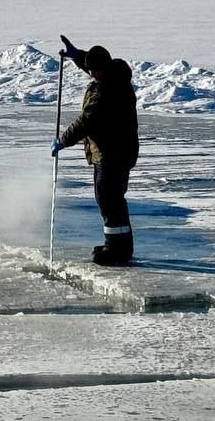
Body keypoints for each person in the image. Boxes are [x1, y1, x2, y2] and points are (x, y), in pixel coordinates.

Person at [50, 39, 139, 266]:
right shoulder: (114, 74)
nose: (89, 73)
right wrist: (77, 55)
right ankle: (118, 245)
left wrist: (63, 140)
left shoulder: (106, 92)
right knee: (111, 198)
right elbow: (95, 65)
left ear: (102, 69)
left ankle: (117, 250)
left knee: (109, 199)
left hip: (113, 153)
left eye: (92, 70)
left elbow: (86, 121)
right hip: (113, 151)